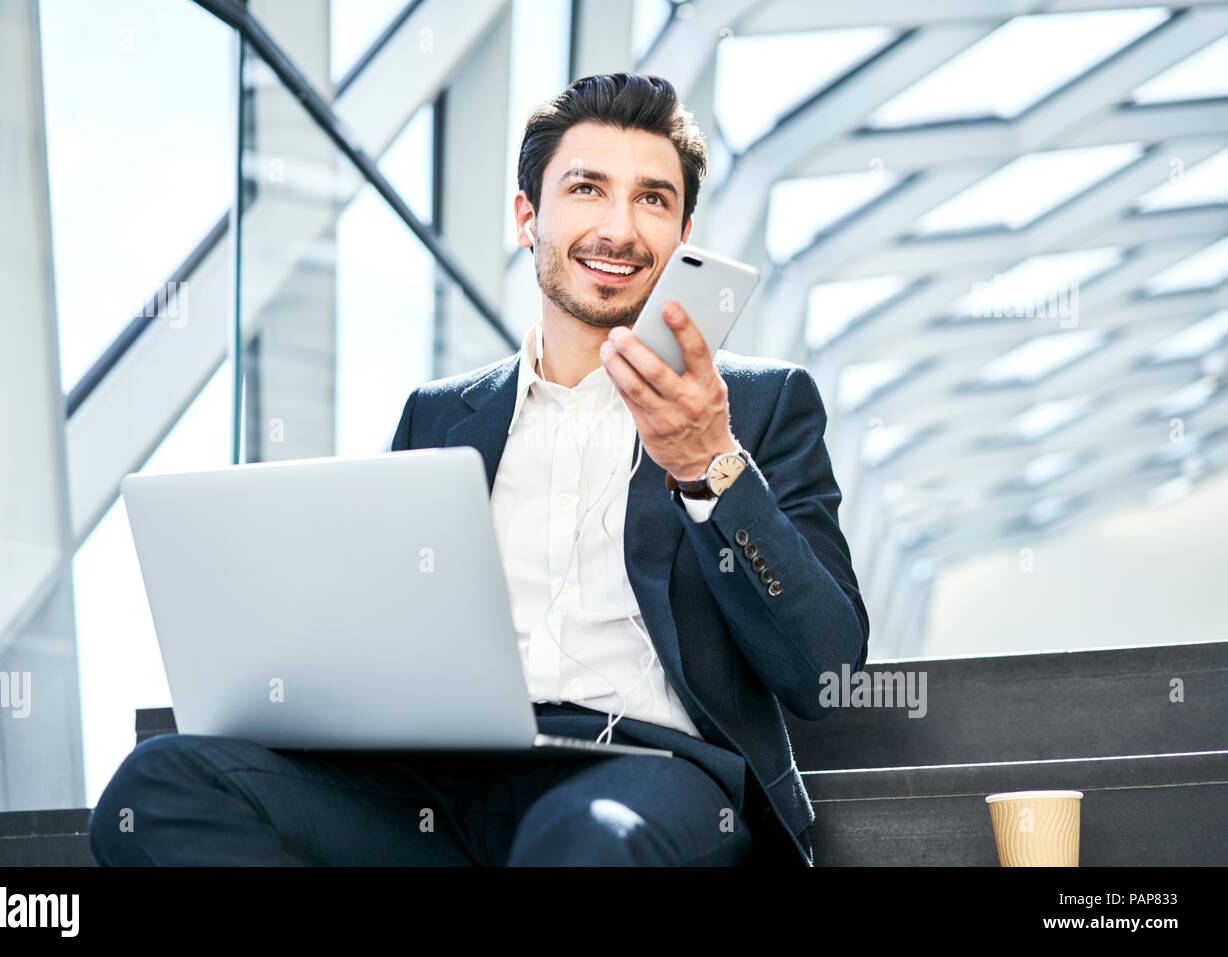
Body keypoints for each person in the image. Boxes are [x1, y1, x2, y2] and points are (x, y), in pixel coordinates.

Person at [89, 72, 869, 867]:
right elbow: (383, 636)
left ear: (684, 236)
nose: (619, 228)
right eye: (587, 189)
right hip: (430, 792)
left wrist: (710, 466)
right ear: (529, 216)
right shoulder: (438, 416)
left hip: (650, 777)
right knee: (161, 784)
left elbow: (825, 669)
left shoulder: (761, 405)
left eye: (653, 200)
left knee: (580, 840)